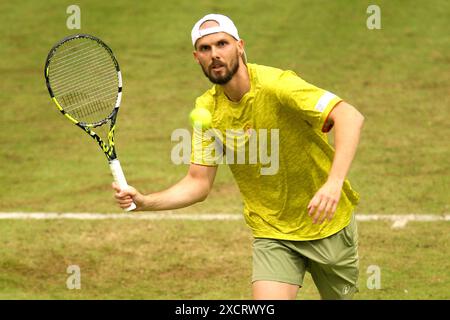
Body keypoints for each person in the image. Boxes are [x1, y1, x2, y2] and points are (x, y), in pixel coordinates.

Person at [113, 13, 364, 300]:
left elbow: (349, 116)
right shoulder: (207, 110)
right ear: (196, 57)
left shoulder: (277, 85)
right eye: (205, 49)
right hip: (273, 232)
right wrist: (146, 201)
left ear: (240, 46)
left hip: (328, 222)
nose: (215, 55)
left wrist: (333, 184)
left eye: (222, 44)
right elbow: (198, 183)